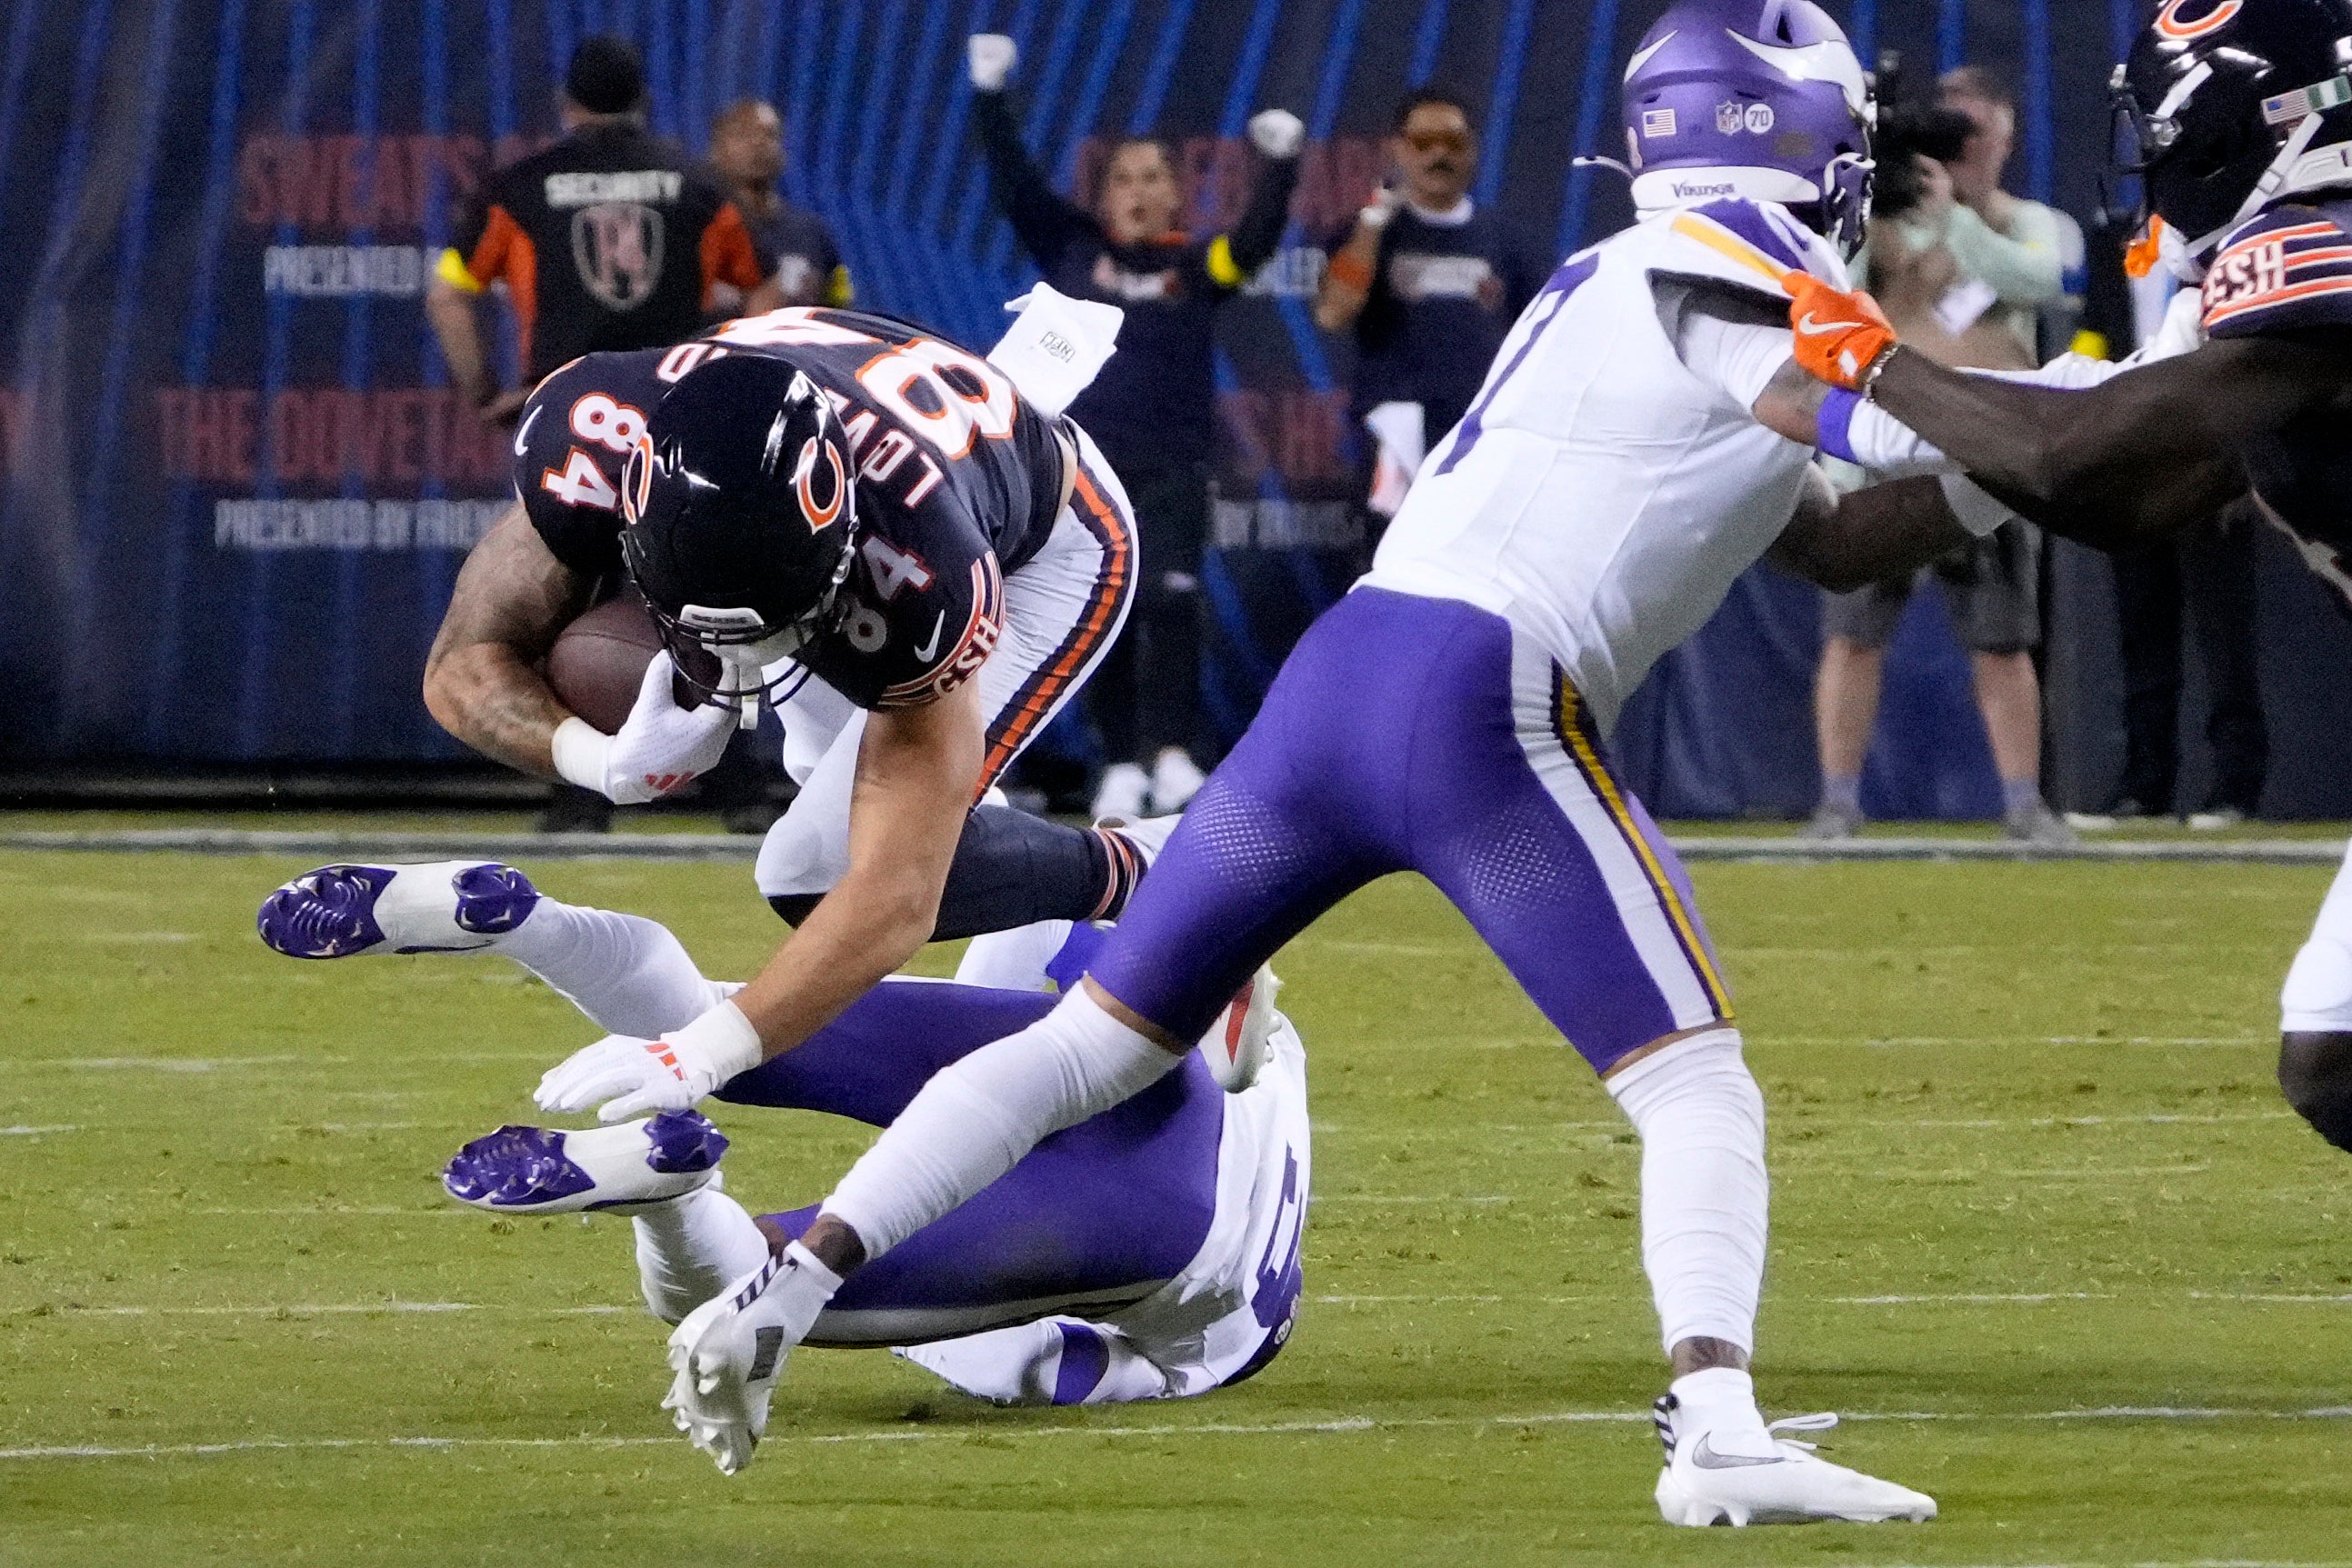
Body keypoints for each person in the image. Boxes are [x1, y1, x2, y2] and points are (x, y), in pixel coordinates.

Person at [535, 1, 1979, 1522]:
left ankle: (780, 1290)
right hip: (1477, 698)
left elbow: (1829, 529)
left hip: (1343, 676)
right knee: (1693, 1083)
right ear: (1811, 142)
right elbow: (1961, 438)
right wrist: (2166, 390)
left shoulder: (1608, 271)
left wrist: (2049, 449)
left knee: (1076, 1049)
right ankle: (1717, 1428)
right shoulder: (1739, 274)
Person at [1771, 0, 2352, 1159]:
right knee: (2332, 1059)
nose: (2159, 161)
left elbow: (2067, 451)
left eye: (2175, 131)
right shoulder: (2245, 298)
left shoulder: (2321, 250)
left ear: (2259, 129)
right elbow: (2120, 496)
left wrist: (1860, 363)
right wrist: (1792, 508)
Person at [255, 860, 1306, 1445]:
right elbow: (1061, 1366)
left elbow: (1172, 958)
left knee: (736, 1032)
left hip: (1137, 1073)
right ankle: (672, 1189)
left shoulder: (1197, 1024)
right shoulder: (1220, 1338)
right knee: (754, 1282)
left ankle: (539, 928)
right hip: (1169, 1221)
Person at [410, 304, 1176, 1013]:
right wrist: (600, 761)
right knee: (863, 824)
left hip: (1039, 545)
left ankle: (1156, 872)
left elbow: (894, 895)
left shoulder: (920, 556)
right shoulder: (592, 434)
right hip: (861, 456)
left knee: (823, 869)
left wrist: (718, 1044)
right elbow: (461, 667)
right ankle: (1081, 956)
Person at [423, 35, 784, 835]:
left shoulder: (520, 187)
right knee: (702, 589)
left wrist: (486, 390)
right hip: (675, 415)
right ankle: (736, 786)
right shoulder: (695, 185)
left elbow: (449, 294)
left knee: (558, 601)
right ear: (642, 100)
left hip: (569, 418)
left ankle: (579, 789)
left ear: (570, 104)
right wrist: (727, 381)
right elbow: (764, 293)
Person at [967, 33, 1305, 821]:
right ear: (1105, 192)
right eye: (1123, 178)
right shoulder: (1073, 249)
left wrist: (1280, 165)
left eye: (1153, 177)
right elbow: (1016, 186)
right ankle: (1118, 762)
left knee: (1174, 601)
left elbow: (1251, 246)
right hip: (1085, 467)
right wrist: (988, 98)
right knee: (1106, 610)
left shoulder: (1197, 266)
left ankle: (1175, 756)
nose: (1138, 190)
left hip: (1175, 467)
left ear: (1175, 194)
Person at [1805, 68, 2074, 844]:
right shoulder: (1884, 216)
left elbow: (2042, 279)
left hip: (1987, 455)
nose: (1960, 149)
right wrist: (1868, 225)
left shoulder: (2029, 220)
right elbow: (1836, 301)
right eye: (1946, 132)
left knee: (2002, 639)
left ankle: (2024, 804)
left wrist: (1954, 220)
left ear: (2004, 138)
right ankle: (1836, 803)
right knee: (1853, 633)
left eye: (1975, 133)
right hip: (1884, 455)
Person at [1313, 90, 1541, 545]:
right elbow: (1332, 313)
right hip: (1396, 437)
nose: (1439, 154)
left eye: (1453, 143)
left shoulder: (1508, 242)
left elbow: (1540, 342)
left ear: (1474, 149)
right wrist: (1373, 223)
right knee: (1391, 564)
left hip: (1483, 434)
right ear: (1398, 149)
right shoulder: (1369, 234)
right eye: (1424, 142)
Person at [706, 100, 853, 312]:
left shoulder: (813, 233)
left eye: (769, 134)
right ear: (716, 149)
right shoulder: (699, 227)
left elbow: (841, 307)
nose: (758, 142)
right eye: (743, 134)